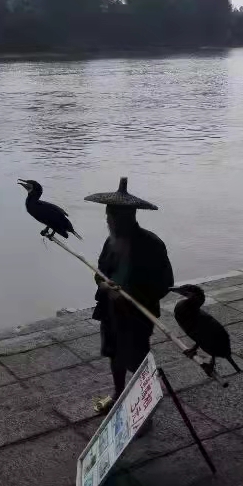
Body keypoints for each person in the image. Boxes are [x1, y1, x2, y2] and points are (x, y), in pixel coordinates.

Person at [85, 177, 174, 413]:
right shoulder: (110, 241)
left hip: (137, 314)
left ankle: (143, 408)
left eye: (113, 218)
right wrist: (105, 286)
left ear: (129, 217)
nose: (109, 222)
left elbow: (165, 283)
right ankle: (118, 393)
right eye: (108, 217)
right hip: (110, 311)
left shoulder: (151, 244)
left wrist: (130, 295)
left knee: (137, 359)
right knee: (114, 354)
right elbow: (100, 273)